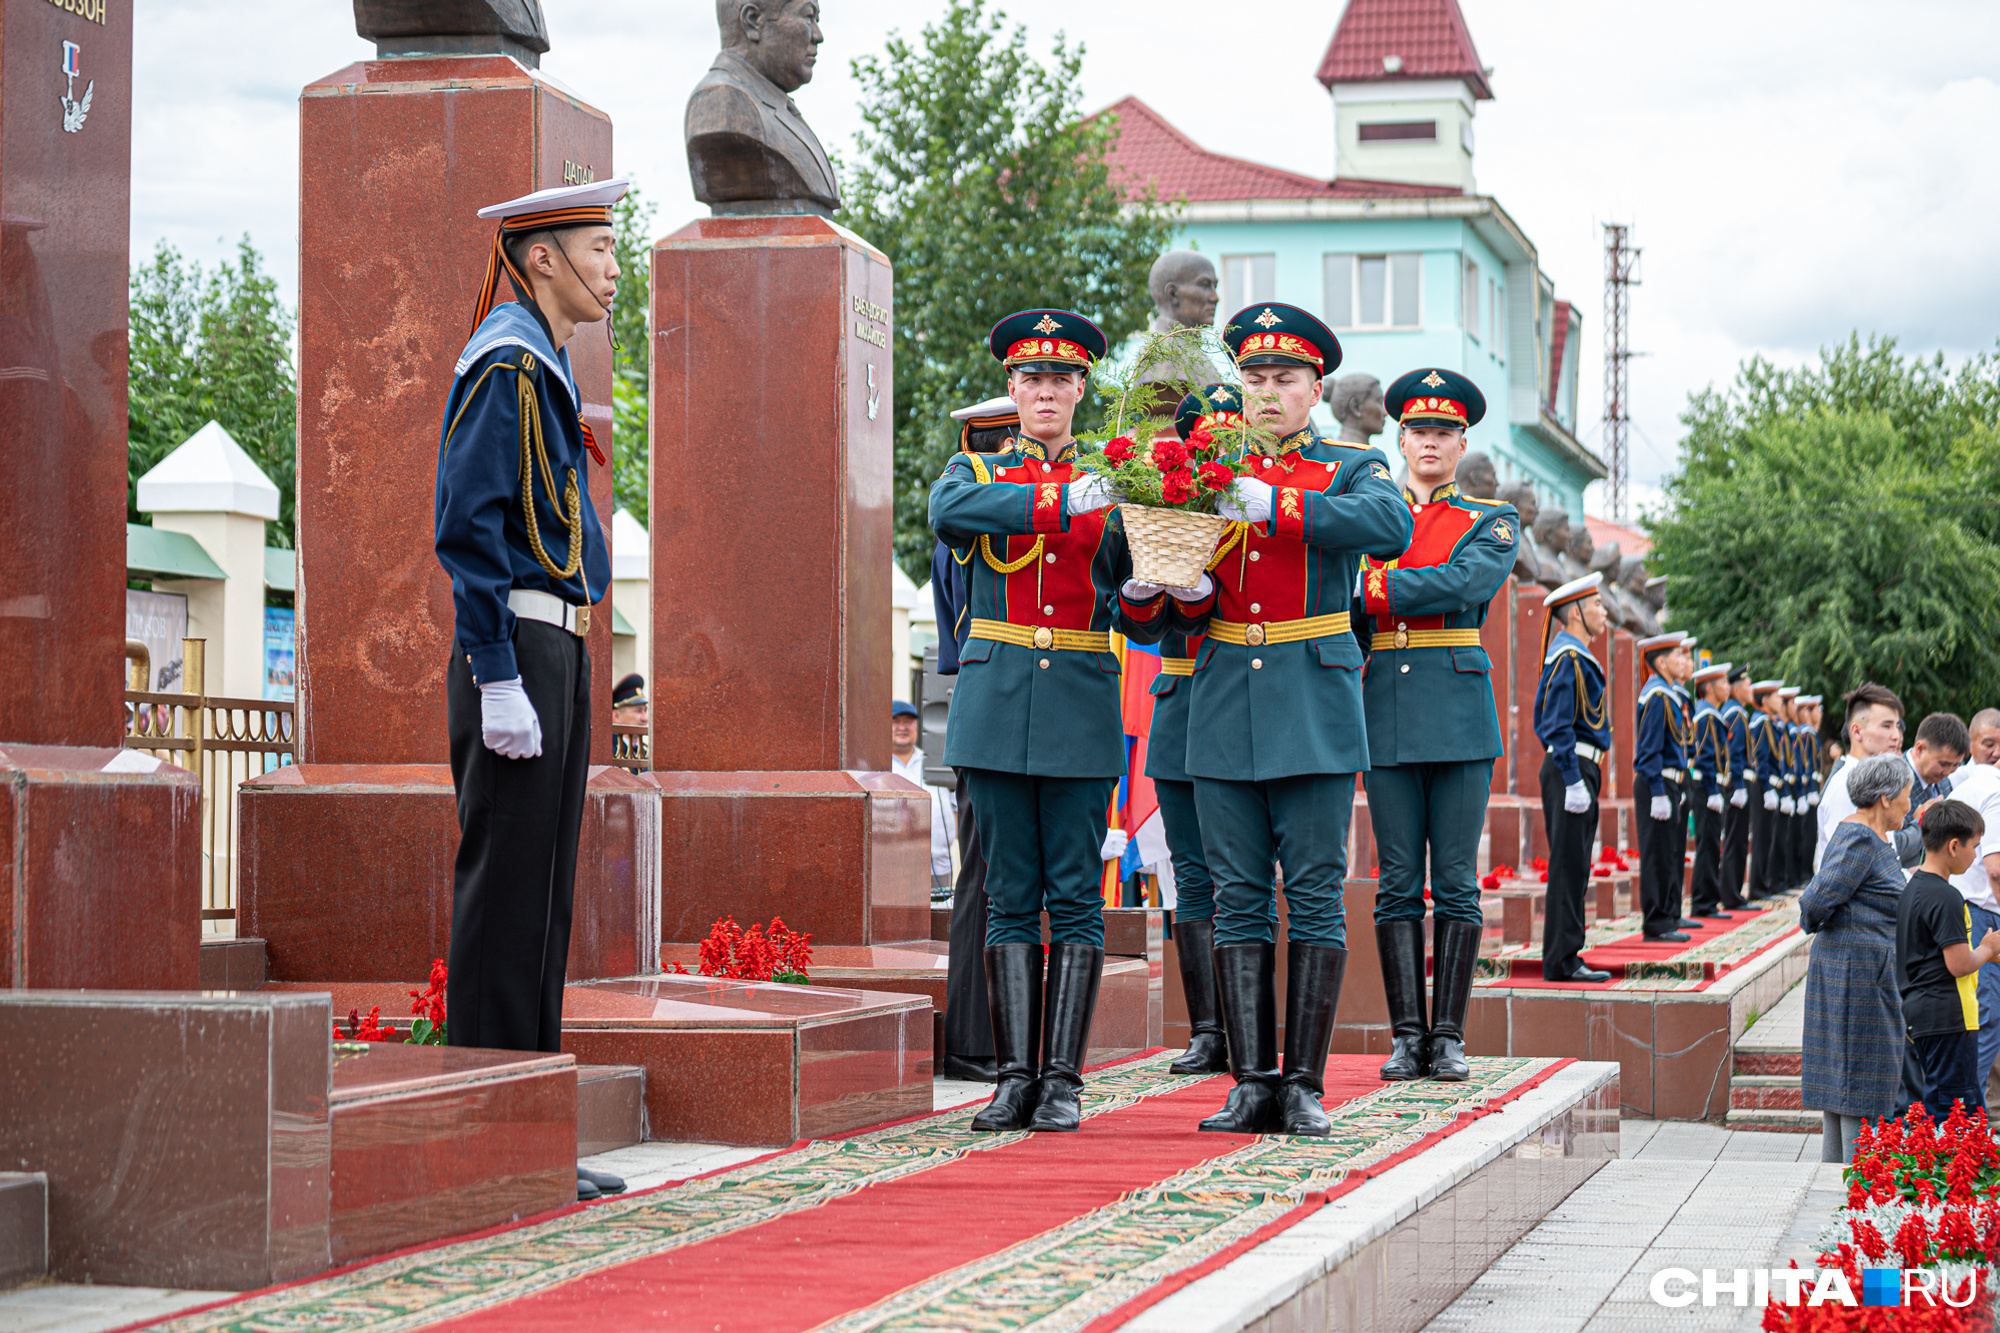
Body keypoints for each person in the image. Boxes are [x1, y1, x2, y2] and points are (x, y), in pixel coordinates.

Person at [1165, 302, 1412, 1134]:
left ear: (1315, 389)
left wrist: (1278, 509)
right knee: (1236, 895)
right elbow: (1162, 593)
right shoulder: (1205, 469)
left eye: (1286, 379)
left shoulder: (1350, 467)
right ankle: (1249, 1080)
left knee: (1310, 893)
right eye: (1256, 378)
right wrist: (1168, 592)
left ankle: (1301, 1081)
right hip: (1225, 690)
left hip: (1312, 695)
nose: (1268, 393)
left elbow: (1390, 526)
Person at [433, 177, 626, 1202]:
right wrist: (495, 672)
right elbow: (466, 526)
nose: (610, 265)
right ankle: (489, 1127)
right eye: (597, 246)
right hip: (515, 646)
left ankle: (527, 1126)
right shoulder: (504, 358)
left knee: (542, 899)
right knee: (505, 892)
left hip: (557, 647)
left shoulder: (537, 357)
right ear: (540, 255)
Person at [929, 308, 1146, 1133]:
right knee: (1010, 895)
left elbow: (1137, 592)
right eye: (1031, 379)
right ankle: (1013, 1075)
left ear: (1081, 390)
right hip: (996, 701)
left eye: (1060, 379)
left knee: (1074, 896)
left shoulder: (1115, 486)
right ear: (1012, 390)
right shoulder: (974, 473)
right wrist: (1065, 500)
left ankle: (1063, 1077)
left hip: (1080, 701)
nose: (1045, 391)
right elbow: (949, 517)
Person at [1356, 367, 1516, 1082]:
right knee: (1395, 881)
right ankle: (1404, 1035)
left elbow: (1467, 583)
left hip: (1455, 710)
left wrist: (1381, 586)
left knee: (1454, 879)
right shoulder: (1374, 511)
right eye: (1419, 430)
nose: (1430, 441)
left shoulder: (1491, 519)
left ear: (1461, 442)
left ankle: (1447, 1034)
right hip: (1385, 706)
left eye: (1443, 431)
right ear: (1400, 437)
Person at [1152, 387, 1246, 1077]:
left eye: (1231, 439)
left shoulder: (1260, 506)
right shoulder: (1170, 507)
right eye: (1208, 441)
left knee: (1242, 872)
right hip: (1183, 692)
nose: (1221, 452)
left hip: (1246, 698)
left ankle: (1248, 1026)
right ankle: (1208, 1027)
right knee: (1190, 870)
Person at [931, 393, 1018, 1083]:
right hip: (989, 702)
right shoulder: (973, 520)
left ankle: (997, 1035)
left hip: (992, 703)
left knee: (997, 880)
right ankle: (973, 1038)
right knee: (987, 881)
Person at [1799, 752, 1914, 1164]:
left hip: (1866, 974)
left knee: (1853, 1084)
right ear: (1885, 798)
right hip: (1854, 977)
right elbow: (1813, 904)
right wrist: (1850, 933)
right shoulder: (1859, 838)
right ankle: (1854, 1188)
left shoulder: (1875, 838)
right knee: (1855, 1082)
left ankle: (1843, 1185)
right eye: (1906, 795)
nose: (1910, 804)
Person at [1534, 574, 1614, 982]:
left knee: (1577, 865)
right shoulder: (1567, 658)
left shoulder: (1576, 656)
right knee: (1569, 866)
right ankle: (1562, 960)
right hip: (1571, 768)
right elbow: (1554, 724)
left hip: (1582, 767)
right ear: (1577, 613)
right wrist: (1571, 778)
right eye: (1597, 604)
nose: (1604, 611)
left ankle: (1567, 954)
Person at [1897, 799, 2000, 1119]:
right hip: (1948, 1016)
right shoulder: (1947, 896)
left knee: (1943, 1103)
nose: (1976, 857)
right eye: (1975, 847)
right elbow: (1957, 965)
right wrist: (1988, 949)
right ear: (1954, 846)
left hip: (1922, 1011)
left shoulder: (1914, 887)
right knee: (1958, 1111)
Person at [1633, 631, 1695, 940]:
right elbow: (1648, 751)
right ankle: (1656, 923)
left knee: (1670, 851)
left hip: (1670, 782)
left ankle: (1668, 916)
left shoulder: (1667, 694)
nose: (1683, 661)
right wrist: (1657, 791)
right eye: (1677, 655)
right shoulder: (1656, 696)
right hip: (1655, 783)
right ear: (1661, 661)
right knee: (1657, 854)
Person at [1816, 682, 1907, 870]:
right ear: (1857, 731)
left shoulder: (1872, 781)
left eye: (1897, 726)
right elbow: (1844, 870)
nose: (1896, 736)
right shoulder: (1846, 787)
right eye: (1886, 726)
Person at [1687, 661, 1736, 920]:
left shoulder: (1711, 714)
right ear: (1708, 687)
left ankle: (1707, 900)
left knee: (1710, 843)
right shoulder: (1706, 715)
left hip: (1712, 785)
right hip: (1707, 786)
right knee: (1707, 844)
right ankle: (1703, 903)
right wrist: (1712, 789)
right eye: (1723, 683)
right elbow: (1704, 756)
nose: (1728, 688)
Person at [890, 700, 957, 890]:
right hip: (891, 869)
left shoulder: (935, 763)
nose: (902, 727)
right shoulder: (878, 766)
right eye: (896, 721)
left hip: (938, 868)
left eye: (908, 721)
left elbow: (957, 808)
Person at [1747, 680, 1788, 899]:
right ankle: (1757, 889)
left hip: (1769, 785)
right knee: (1762, 837)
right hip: (1763, 785)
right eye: (1775, 696)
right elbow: (1760, 758)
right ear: (1764, 700)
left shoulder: (1769, 721)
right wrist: (1766, 787)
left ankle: (1762, 886)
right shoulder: (1761, 722)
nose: (1779, 701)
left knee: (1767, 837)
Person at [1719, 666, 1754, 910]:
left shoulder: (1737, 712)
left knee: (1739, 839)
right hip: (1735, 785)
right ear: (1736, 689)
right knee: (1735, 839)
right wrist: (1739, 785)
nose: (1751, 690)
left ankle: (1734, 893)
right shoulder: (1735, 713)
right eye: (1748, 686)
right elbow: (1734, 754)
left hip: (1737, 784)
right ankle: (1731, 895)